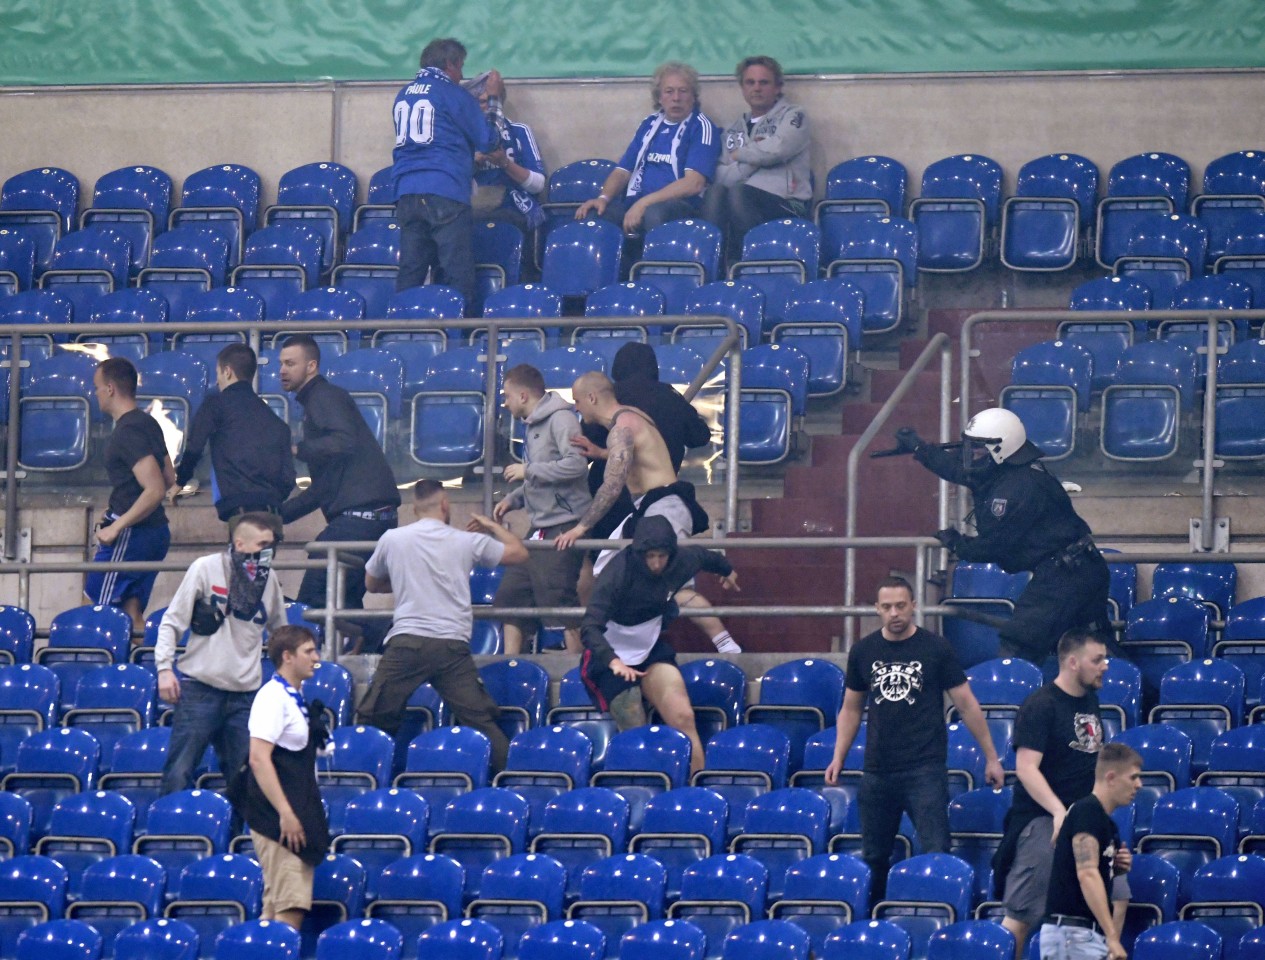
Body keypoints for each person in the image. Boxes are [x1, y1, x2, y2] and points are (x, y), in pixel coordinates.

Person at [824, 576, 1006, 902]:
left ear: (913, 606)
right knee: (874, 857)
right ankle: (874, 926)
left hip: (925, 769)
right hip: (877, 770)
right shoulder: (863, 651)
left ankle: (938, 917)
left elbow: (966, 703)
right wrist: (839, 755)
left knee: (936, 850)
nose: (895, 613)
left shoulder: (935, 648)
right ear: (877, 609)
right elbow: (851, 708)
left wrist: (991, 756)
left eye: (901, 606)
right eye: (887, 607)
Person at [896, 407, 1111, 664]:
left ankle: (1005, 702)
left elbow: (992, 547)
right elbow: (957, 469)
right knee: (1092, 647)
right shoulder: (1002, 471)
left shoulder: (1019, 487)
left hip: (1065, 575)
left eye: (978, 448)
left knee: (1019, 643)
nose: (971, 455)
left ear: (1000, 449)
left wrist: (957, 543)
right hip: (1077, 569)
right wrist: (921, 449)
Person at [559, 371, 740, 654]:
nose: (576, 407)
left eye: (578, 400)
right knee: (613, 573)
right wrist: (600, 453)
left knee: (669, 585)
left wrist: (582, 527)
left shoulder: (622, 427)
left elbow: (612, 484)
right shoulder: (630, 418)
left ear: (592, 397)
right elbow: (634, 454)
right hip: (652, 507)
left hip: (663, 509)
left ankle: (727, 647)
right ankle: (616, 647)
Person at [355, 480, 529, 773]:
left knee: (373, 716)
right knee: (481, 723)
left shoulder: (393, 539)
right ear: (445, 505)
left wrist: (402, 580)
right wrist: (490, 524)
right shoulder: (464, 540)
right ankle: (512, 777)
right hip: (451, 646)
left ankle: (362, 779)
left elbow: (371, 583)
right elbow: (519, 553)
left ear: (414, 508)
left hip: (407, 643)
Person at [580, 515, 740, 775]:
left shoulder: (681, 561)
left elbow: (705, 556)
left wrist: (728, 570)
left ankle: (695, 786)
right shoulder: (618, 573)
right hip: (610, 653)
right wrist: (613, 661)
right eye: (650, 556)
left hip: (650, 648)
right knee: (634, 722)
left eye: (662, 556)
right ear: (640, 552)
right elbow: (589, 627)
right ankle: (647, 788)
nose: (656, 564)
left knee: (683, 716)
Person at [277, 335, 400, 651]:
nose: (282, 370)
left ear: (312, 365)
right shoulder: (317, 403)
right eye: (280, 363)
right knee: (343, 601)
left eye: (290, 363)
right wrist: (278, 517)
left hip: (361, 518)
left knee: (315, 599)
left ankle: (389, 632)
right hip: (369, 517)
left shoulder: (324, 398)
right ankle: (374, 649)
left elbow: (345, 441)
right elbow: (324, 487)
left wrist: (295, 448)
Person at [154, 512, 288, 795]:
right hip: (201, 688)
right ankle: (168, 833)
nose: (269, 551)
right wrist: (164, 668)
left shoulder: (270, 579)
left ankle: (239, 837)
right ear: (240, 544)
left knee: (247, 778)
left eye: (271, 544)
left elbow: (281, 633)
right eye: (262, 544)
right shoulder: (206, 568)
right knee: (179, 770)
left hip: (245, 693)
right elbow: (172, 620)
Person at [996, 630, 1109, 959]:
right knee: (1021, 917)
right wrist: (1060, 813)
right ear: (1073, 663)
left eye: (1104, 659)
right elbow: (1026, 768)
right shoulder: (1041, 705)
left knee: (1112, 896)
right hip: (1043, 822)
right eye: (1097, 659)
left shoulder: (1089, 699)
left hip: (1080, 821)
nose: (1104, 666)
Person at [392, 37, 504, 307]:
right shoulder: (452, 94)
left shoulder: (403, 93)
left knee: (411, 270)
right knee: (457, 271)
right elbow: (489, 140)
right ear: (450, 64)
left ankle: (400, 329)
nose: (462, 74)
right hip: (445, 189)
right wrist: (494, 101)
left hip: (406, 191)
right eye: (461, 66)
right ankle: (458, 338)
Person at [231, 625, 329, 930]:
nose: (316, 658)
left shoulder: (294, 696)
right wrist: (286, 813)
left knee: (275, 908)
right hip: (278, 815)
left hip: (294, 807)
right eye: (309, 652)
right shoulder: (272, 697)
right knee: (290, 905)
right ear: (287, 657)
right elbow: (259, 759)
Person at [493, 364, 591, 655]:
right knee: (511, 595)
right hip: (540, 527)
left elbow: (576, 465)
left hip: (566, 524)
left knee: (559, 600)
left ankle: (576, 669)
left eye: (507, 396)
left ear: (523, 395)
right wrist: (514, 499)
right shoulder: (532, 425)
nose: (505, 402)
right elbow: (540, 475)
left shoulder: (562, 420)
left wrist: (529, 471)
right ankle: (510, 663)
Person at [579, 341, 713, 546]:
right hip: (658, 495)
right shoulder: (669, 396)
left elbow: (585, 444)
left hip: (612, 501)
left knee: (605, 562)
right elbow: (700, 436)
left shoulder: (608, 398)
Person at [574, 61, 720, 236]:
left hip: (681, 206)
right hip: (636, 203)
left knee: (654, 214)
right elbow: (622, 171)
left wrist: (644, 203)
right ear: (659, 97)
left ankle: (653, 263)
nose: (676, 98)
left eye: (683, 91)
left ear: (694, 96)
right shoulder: (649, 124)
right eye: (669, 91)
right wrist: (603, 198)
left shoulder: (702, 127)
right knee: (595, 215)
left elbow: (693, 184)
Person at [85, 357, 176, 634]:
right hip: (153, 532)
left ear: (110, 388)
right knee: (130, 612)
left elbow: (157, 488)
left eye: (98, 388)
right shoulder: (147, 422)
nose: (96, 394)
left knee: (95, 603)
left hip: (133, 534)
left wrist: (117, 525)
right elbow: (170, 476)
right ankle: (148, 665)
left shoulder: (127, 432)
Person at [704, 55, 813, 264]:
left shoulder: (794, 116)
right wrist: (756, 156)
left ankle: (754, 263)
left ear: (777, 87)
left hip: (788, 203)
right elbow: (720, 174)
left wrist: (740, 154)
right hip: (741, 199)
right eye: (750, 82)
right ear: (742, 88)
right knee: (716, 192)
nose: (757, 88)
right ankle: (715, 268)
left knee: (738, 193)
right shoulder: (733, 129)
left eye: (764, 82)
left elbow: (779, 149)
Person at [1039, 742, 1140, 960]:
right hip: (1073, 935)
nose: (1139, 785)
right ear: (1111, 778)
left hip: (1078, 936)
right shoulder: (1088, 812)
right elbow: (1086, 873)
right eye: (1133, 777)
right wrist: (1112, 936)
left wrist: (1115, 869)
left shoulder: (1105, 823)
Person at [172, 343, 295, 521]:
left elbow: (194, 447)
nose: (217, 380)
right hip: (273, 510)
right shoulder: (276, 421)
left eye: (218, 373)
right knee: (264, 550)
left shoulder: (214, 405)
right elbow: (288, 476)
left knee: (243, 548)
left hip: (237, 506)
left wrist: (180, 482)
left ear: (227, 372)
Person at [470, 75, 547, 235]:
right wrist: (471, 163)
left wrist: (505, 163)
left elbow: (538, 185)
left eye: (484, 102)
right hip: (472, 205)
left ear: (498, 103)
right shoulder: (461, 134)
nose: (477, 108)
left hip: (511, 206)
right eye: (473, 102)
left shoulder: (519, 131)